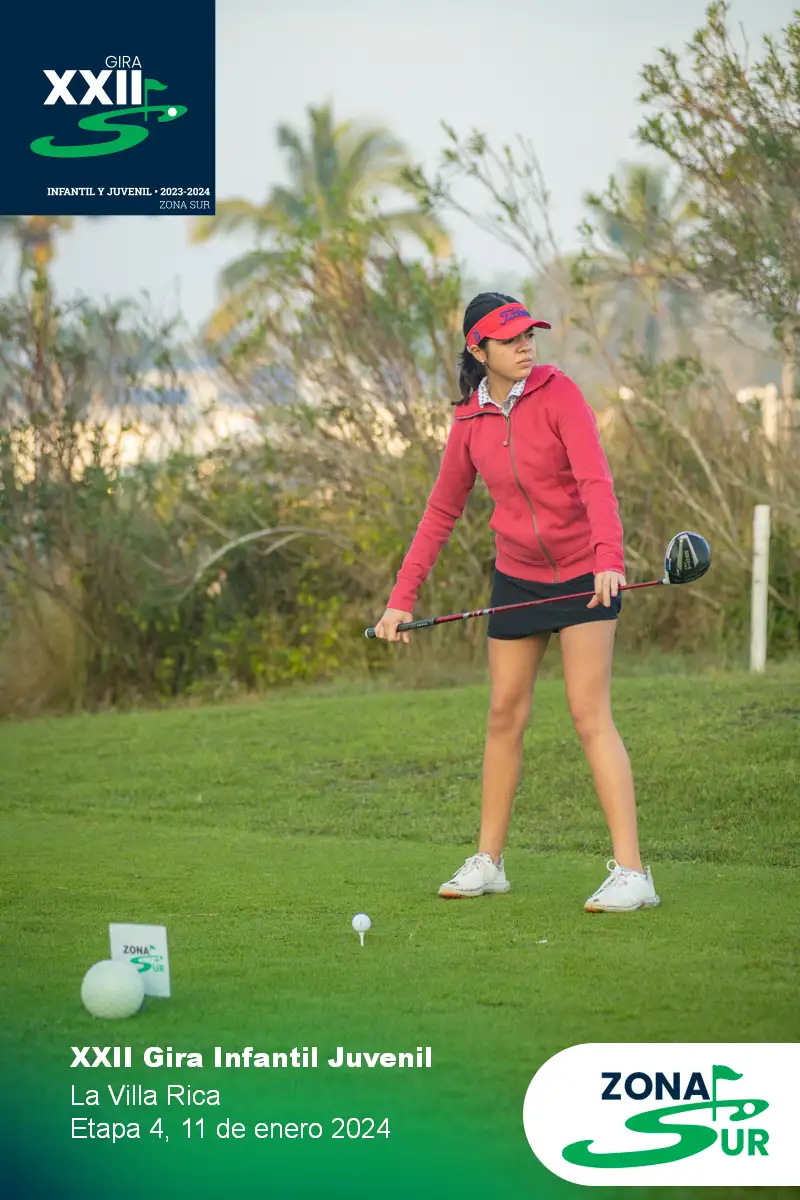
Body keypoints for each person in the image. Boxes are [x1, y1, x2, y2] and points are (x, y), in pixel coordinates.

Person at [372, 292, 660, 913]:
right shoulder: (468, 420)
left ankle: (634, 873)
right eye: (510, 339)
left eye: (529, 334)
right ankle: (490, 862)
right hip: (518, 578)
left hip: (584, 572)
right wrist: (401, 599)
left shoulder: (560, 393)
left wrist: (609, 557)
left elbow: (595, 480)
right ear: (479, 350)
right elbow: (441, 511)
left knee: (589, 714)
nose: (526, 345)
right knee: (504, 714)